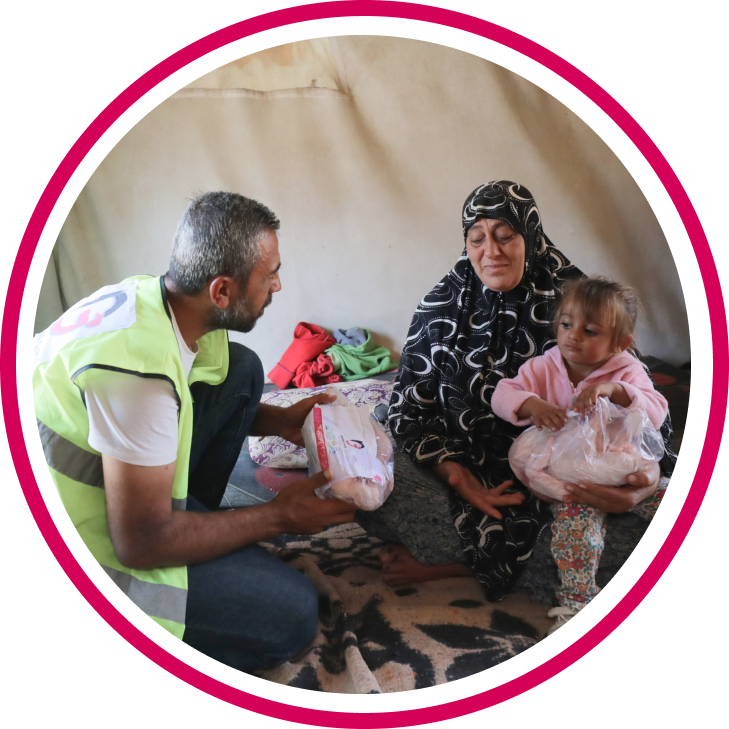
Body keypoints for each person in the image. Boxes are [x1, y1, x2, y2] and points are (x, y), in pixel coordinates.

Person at [32, 191, 358, 673]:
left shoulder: (153, 301)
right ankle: (108, 647)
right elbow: (139, 543)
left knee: (241, 370)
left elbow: (187, 399)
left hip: (121, 485)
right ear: (221, 292)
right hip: (78, 545)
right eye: (269, 275)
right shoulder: (138, 379)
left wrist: (280, 420)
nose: (278, 285)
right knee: (292, 617)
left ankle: (193, 525)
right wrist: (278, 516)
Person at [355, 181, 676, 617]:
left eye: (505, 235)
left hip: (568, 476)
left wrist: (637, 490)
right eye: (477, 238)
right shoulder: (441, 306)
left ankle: (460, 564)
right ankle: (489, 562)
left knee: (665, 525)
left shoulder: (577, 302)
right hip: (464, 467)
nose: (492, 251)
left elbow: (650, 417)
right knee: (368, 476)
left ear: (531, 236)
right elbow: (409, 413)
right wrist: (458, 478)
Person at [491, 276, 669, 635]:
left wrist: (614, 390)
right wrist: (532, 404)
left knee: (677, 502)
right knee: (576, 537)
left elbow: (656, 410)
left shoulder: (628, 370)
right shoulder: (544, 367)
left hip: (620, 467)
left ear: (620, 343)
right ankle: (578, 610)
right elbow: (502, 394)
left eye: (589, 331)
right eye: (566, 325)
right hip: (573, 480)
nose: (573, 336)